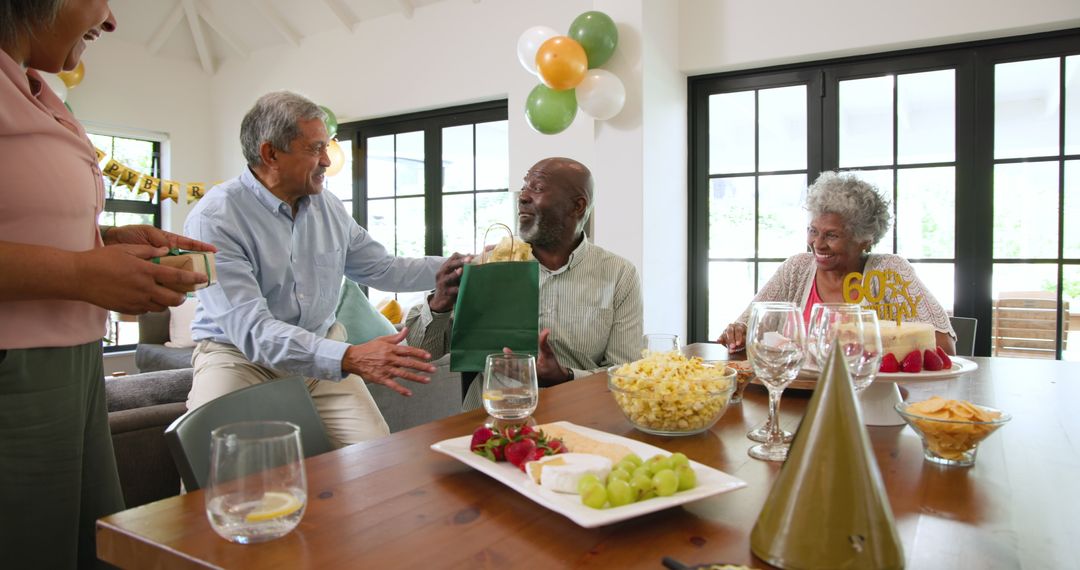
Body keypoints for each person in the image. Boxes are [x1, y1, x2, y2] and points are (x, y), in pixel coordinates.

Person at [0, 1, 217, 567]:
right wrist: (77, 272)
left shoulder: (34, 88)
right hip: (16, 370)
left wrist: (106, 241)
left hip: (74, 364)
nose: (113, 20)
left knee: (93, 546)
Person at [185, 91, 468, 447]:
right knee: (210, 459)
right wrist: (349, 356)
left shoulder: (328, 206)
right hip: (239, 359)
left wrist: (459, 266)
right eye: (315, 148)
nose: (325, 160)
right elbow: (253, 331)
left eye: (326, 147)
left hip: (320, 352)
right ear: (271, 153)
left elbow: (383, 268)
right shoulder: (215, 218)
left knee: (374, 452)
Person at [405, 157, 643, 408]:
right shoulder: (489, 264)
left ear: (578, 206)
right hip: (490, 418)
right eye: (524, 186)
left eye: (537, 188)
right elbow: (423, 353)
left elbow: (625, 375)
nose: (523, 196)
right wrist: (439, 304)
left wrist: (566, 376)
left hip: (578, 413)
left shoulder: (619, 274)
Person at [717, 171, 956, 354]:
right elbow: (747, 327)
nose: (817, 244)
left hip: (872, 398)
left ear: (864, 240)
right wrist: (737, 332)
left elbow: (944, 345)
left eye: (831, 235)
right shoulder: (796, 269)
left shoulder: (889, 271)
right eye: (813, 231)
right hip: (797, 394)